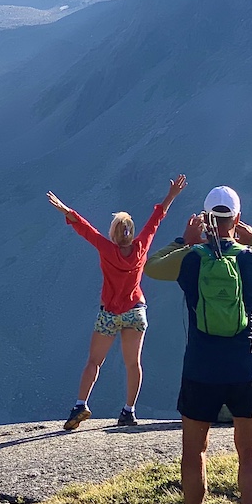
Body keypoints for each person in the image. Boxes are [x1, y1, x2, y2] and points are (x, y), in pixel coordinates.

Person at [145, 185, 252, 504]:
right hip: (245, 366)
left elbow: (150, 268)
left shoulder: (191, 258)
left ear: (205, 219)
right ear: (237, 218)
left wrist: (184, 238)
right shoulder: (251, 258)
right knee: (249, 449)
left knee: (194, 451)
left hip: (200, 367)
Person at [47, 175, 187, 430]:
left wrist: (66, 211)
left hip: (110, 312)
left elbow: (85, 229)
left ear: (113, 233)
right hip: (136, 311)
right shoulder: (142, 246)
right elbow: (157, 219)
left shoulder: (106, 248)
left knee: (94, 362)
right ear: (131, 233)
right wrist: (172, 194)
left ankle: (80, 404)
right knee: (133, 364)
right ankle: (129, 411)